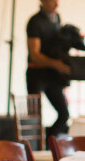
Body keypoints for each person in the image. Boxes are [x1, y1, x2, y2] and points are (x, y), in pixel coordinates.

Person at [26, 0, 71, 138]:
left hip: (53, 76)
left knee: (64, 115)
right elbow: (35, 55)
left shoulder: (57, 18)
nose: (56, 4)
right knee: (34, 118)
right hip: (36, 74)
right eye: (53, 1)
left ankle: (48, 144)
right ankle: (33, 151)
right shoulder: (35, 22)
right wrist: (56, 64)